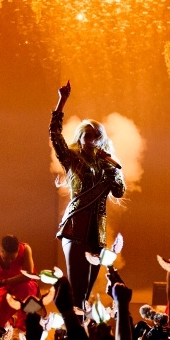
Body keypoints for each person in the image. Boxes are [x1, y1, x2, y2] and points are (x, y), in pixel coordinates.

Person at [50, 80, 126, 311]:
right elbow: (55, 135)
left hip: (96, 232)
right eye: (88, 135)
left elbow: (119, 191)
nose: (92, 139)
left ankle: (82, 323)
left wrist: (110, 165)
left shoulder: (107, 164)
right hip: (75, 228)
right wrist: (62, 101)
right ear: (81, 137)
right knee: (76, 288)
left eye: (96, 136)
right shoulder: (72, 159)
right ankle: (72, 326)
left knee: (87, 291)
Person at [0, 234, 40, 330]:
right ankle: (11, 320)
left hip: (25, 287)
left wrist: (2, 282)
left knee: (25, 288)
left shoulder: (25, 249)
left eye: (13, 258)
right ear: (0, 249)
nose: (9, 261)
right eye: (6, 258)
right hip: (5, 292)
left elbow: (27, 276)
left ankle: (23, 326)